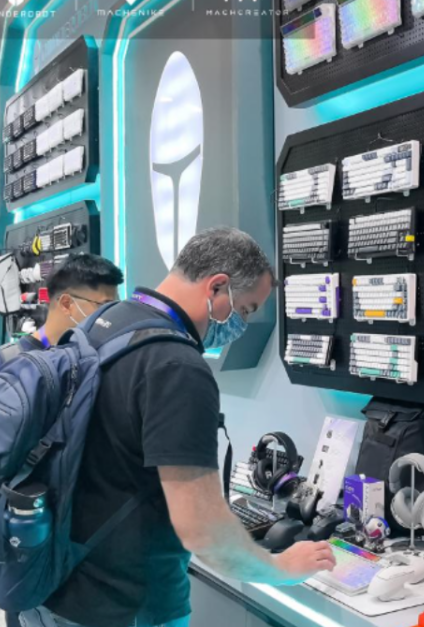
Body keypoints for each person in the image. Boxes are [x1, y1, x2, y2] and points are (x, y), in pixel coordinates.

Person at [21, 228, 336, 627]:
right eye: (246, 309)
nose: (242, 324)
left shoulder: (104, 321)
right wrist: (282, 567)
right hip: (125, 605)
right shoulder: (176, 366)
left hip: (52, 582)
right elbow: (203, 532)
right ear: (217, 287)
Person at [0, 252, 124, 399]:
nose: (110, 314)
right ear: (66, 304)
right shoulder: (0, 365)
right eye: (105, 305)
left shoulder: (92, 363)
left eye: (116, 306)